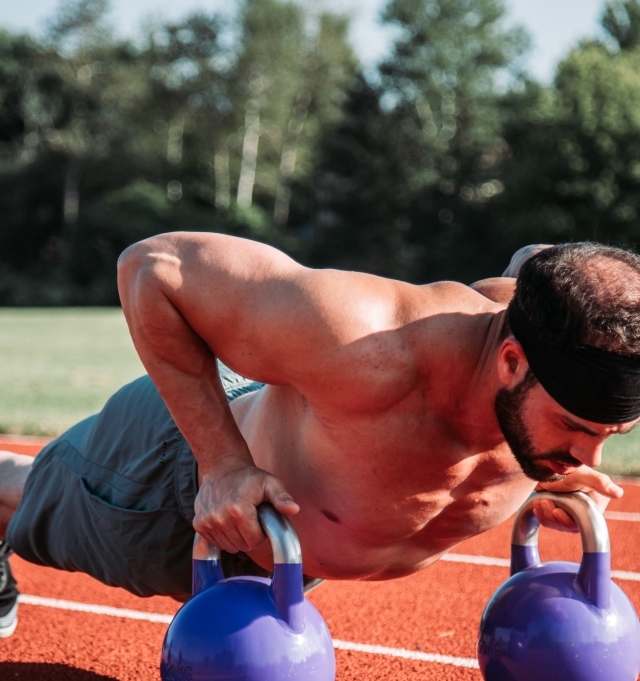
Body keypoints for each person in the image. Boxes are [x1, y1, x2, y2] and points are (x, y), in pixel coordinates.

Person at [2, 237, 640, 638]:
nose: (588, 459)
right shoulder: (365, 340)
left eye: (612, 435)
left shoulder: (544, 333)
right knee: (27, 498)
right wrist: (221, 463)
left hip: (289, 525)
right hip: (172, 484)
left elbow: (536, 259)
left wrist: (533, 473)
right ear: (510, 362)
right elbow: (152, 267)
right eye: (576, 430)